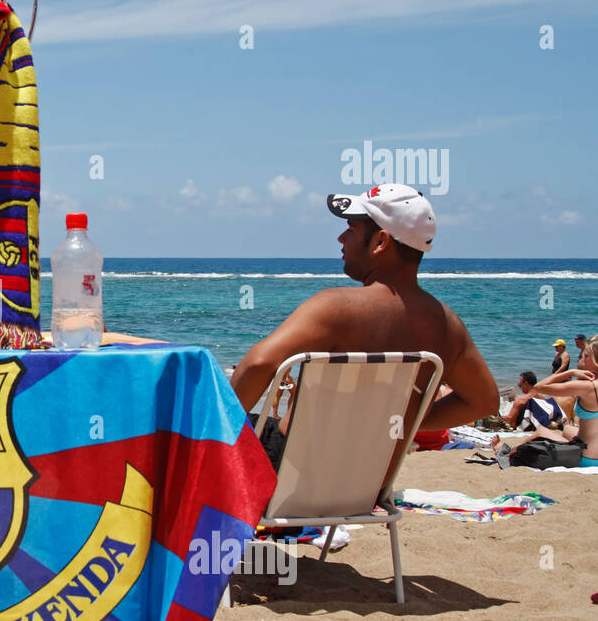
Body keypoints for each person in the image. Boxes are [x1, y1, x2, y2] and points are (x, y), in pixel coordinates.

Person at [231, 184, 499, 468]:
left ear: (380, 241)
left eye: (351, 229)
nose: (340, 238)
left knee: (191, 427)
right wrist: (401, 423)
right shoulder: (448, 325)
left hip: (291, 471)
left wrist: (215, 435)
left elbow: (258, 364)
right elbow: (483, 402)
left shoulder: (336, 308)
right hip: (365, 488)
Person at [491, 336, 598, 466]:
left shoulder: (587, 386)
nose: (581, 359)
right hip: (592, 448)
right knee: (568, 429)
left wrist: (569, 372)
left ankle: (508, 451)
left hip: (587, 456)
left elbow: (539, 386)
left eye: (586, 356)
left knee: (541, 431)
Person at [501, 372, 566, 431]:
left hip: (524, 428)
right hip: (538, 426)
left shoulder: (521, 399)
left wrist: (495, 418)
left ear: (526, 383)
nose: (519, 387)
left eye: (520, 384)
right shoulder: (542, 399)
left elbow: (510, 419)